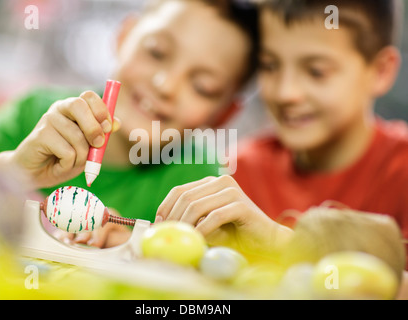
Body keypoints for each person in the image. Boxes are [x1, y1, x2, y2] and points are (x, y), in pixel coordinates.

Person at [0, 0, 258, 247]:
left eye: (202, 86)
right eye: (156, 52)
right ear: (124, 36)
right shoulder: (33, 111)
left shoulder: (200, 180)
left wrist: (134, 250)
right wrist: (15, 170)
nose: (165, 84)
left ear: (223, 114)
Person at [155, 0, 408, 264]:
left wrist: (281, 243)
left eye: (316, 71)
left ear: (380, 71)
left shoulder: (401, 172)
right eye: (270, 66)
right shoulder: (239, 171)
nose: (286, 92)